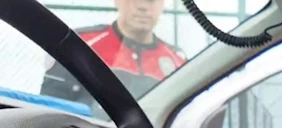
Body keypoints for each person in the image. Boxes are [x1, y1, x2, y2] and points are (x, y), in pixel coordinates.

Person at [40, 0, 185, 106]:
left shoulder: (178, 61)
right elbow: (51, 108)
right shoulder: (80, 44)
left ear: (163, 3)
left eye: (151, 0)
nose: (142, 6)